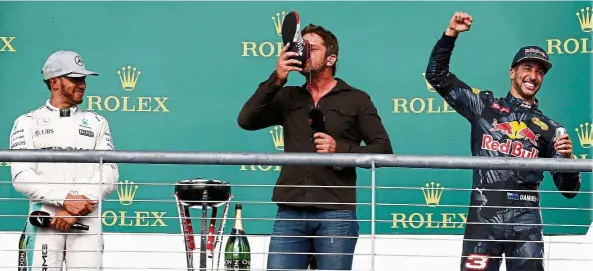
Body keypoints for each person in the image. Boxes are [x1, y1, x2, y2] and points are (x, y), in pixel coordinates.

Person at [424, 12, 582, 271]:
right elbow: (436, 75)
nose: (533, 75)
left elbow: (569, 190)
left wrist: (567, 160)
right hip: (483, 217)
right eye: (527, 68)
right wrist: (450, 35)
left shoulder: (551, 129)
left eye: (540, 71)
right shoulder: (484, 106)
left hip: (527, 218)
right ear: (512, 72)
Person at [237, 24, 393, 270]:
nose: (304, 53)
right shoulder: (287, 96)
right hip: (290, 212)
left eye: (312, 48)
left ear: (331, 58)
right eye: (301, 47)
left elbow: (383, 150)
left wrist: (339, 150)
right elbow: (246, 120)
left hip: (336, 213)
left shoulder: (356, 99)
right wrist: (275, 79)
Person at [10, 50, 119, 270]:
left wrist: (74, 208)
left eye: (84, 79)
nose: (83, 84)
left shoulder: (98, 122)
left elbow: (109, 174)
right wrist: (64, 200)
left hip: (87, 217)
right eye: (75, 78)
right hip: (45, 219)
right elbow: (21, 176)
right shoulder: (27, 122)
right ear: (55, 82)